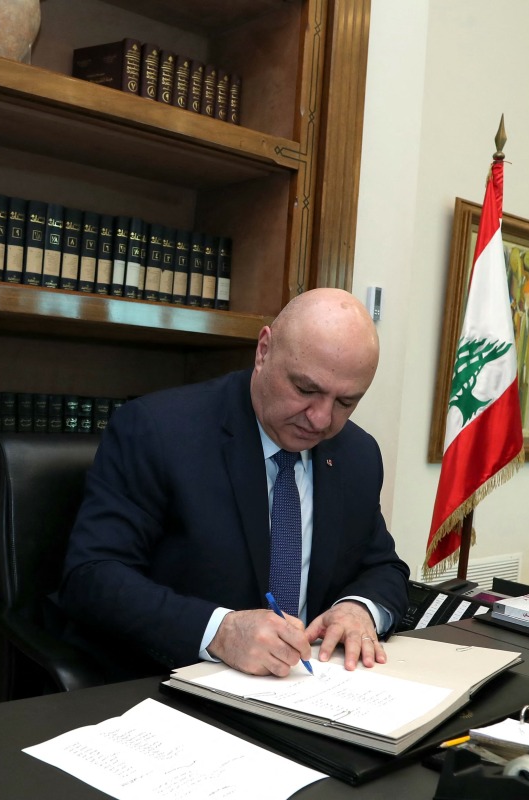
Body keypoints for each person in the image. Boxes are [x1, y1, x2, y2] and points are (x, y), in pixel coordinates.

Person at [59, 288, 410, 681]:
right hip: (173, 684)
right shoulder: (158, 431)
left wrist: (359, 608)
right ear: (263, 351)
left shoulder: (356, 454)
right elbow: (93, 576)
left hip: (311, 691)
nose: (321, 419)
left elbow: (384, 567)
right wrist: (219, 632)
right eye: (305, 390)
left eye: (346, 402)